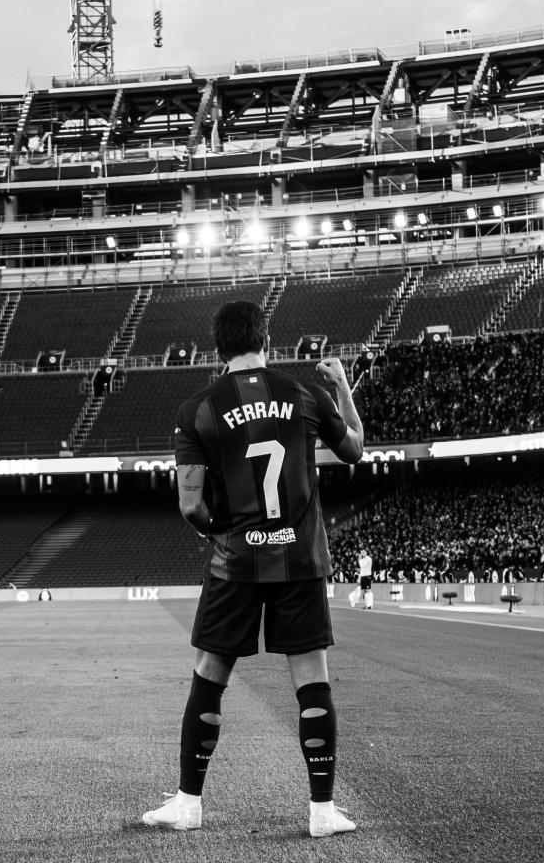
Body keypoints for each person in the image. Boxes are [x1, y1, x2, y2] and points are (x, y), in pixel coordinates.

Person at [141, 299, 365, 839]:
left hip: (234, 561)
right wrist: (344, 387)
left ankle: (189, 803)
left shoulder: (198, 408)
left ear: (217, 348)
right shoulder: (304, 393)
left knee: (209, 676)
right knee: (312, 679)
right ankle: (321, 812)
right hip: (302, 558)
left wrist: (223, 534)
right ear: (266, 339)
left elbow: (190, 504)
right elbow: (354, 449)